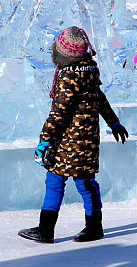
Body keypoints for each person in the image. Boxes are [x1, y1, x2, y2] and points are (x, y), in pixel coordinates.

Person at [19, 27, 128, 244]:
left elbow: (58, 113)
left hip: (70, 141)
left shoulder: (69, 76)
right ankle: (63, 227)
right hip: (84, 139)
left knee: (74, 182)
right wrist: (113, 121)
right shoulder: (88, 70)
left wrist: (44, 140)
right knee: (74, 182)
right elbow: (101, 99)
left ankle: (64, 228)